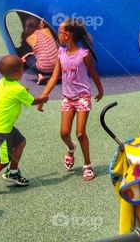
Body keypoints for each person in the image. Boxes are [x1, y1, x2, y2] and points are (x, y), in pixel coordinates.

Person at [0, 55, 48, 200]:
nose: (23, 71)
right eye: (22, 69)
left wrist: (22, 89)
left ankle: (12, 173)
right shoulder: (18, 90)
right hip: (0, 130)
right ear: (16, 74)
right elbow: (33, 101)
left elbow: (11, 91)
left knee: (20, 143)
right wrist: (43, 99)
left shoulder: (2, 82)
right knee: (3, 160)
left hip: (2, 125)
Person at [38, 19, 105, 181]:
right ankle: (71, 147)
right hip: (67, 98)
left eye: (59, 32)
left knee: (80, 133)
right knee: (64, 133)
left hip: (82, 96)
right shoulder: (61, 53)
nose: (58, 35)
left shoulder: (84, 55)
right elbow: (54, 77)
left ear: (67, 35)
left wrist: (100, 90)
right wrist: (43, 97)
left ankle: (87, 165)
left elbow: (94, 74)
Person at [20, 17, 59, 85]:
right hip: (58, 66)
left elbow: (27, 49)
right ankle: (56, 75)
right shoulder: (47, 30)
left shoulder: (28, 37)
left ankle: (39, 75)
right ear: (39, 25)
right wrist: (42, 26)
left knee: (27, 58)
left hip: (45, 68)